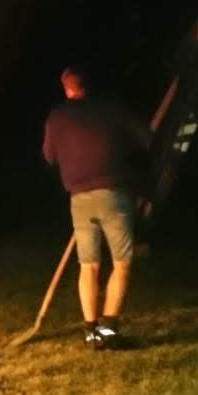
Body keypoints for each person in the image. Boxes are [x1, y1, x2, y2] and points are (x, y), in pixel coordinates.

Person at [42, 65, 151, 349]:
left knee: (88, 266)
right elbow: (145, 139)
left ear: (67, 88)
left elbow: (49, 156)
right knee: (122, 264)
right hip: (114, 195)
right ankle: (108, 331)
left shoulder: (57, 116)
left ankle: (92, 333)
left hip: (79, 199)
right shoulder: (112, 108)